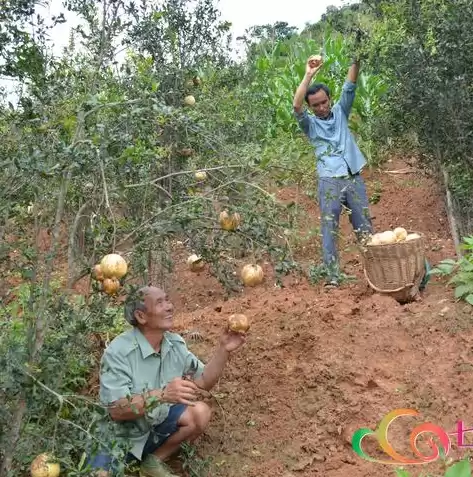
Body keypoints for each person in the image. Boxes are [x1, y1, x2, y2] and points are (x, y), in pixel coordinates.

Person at [87, 285, 246, 477]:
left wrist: (223, 349)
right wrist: (162, 395)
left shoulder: (174, 344)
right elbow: (117, 410)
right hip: (117, 438)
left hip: (153, 429)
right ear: (141, 316)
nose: (169, 306)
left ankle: (152, 462)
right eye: (160, 303)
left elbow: (204, 380)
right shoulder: (118, 352)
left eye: (167, 300)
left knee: (200, 412)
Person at [293, 54, 373, 288]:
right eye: (315, 105)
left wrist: (356, 59)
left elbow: (350, 85)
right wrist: (308, 74)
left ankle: (375, 271)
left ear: (329, 99)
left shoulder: (340, 112)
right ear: (311, 107)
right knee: (330, 229)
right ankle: (333, 277)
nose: (321, 107)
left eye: (324, 102)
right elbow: (296, 106)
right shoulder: (310, 124)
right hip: (329, 181)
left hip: (353, 177)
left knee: (364, 227)